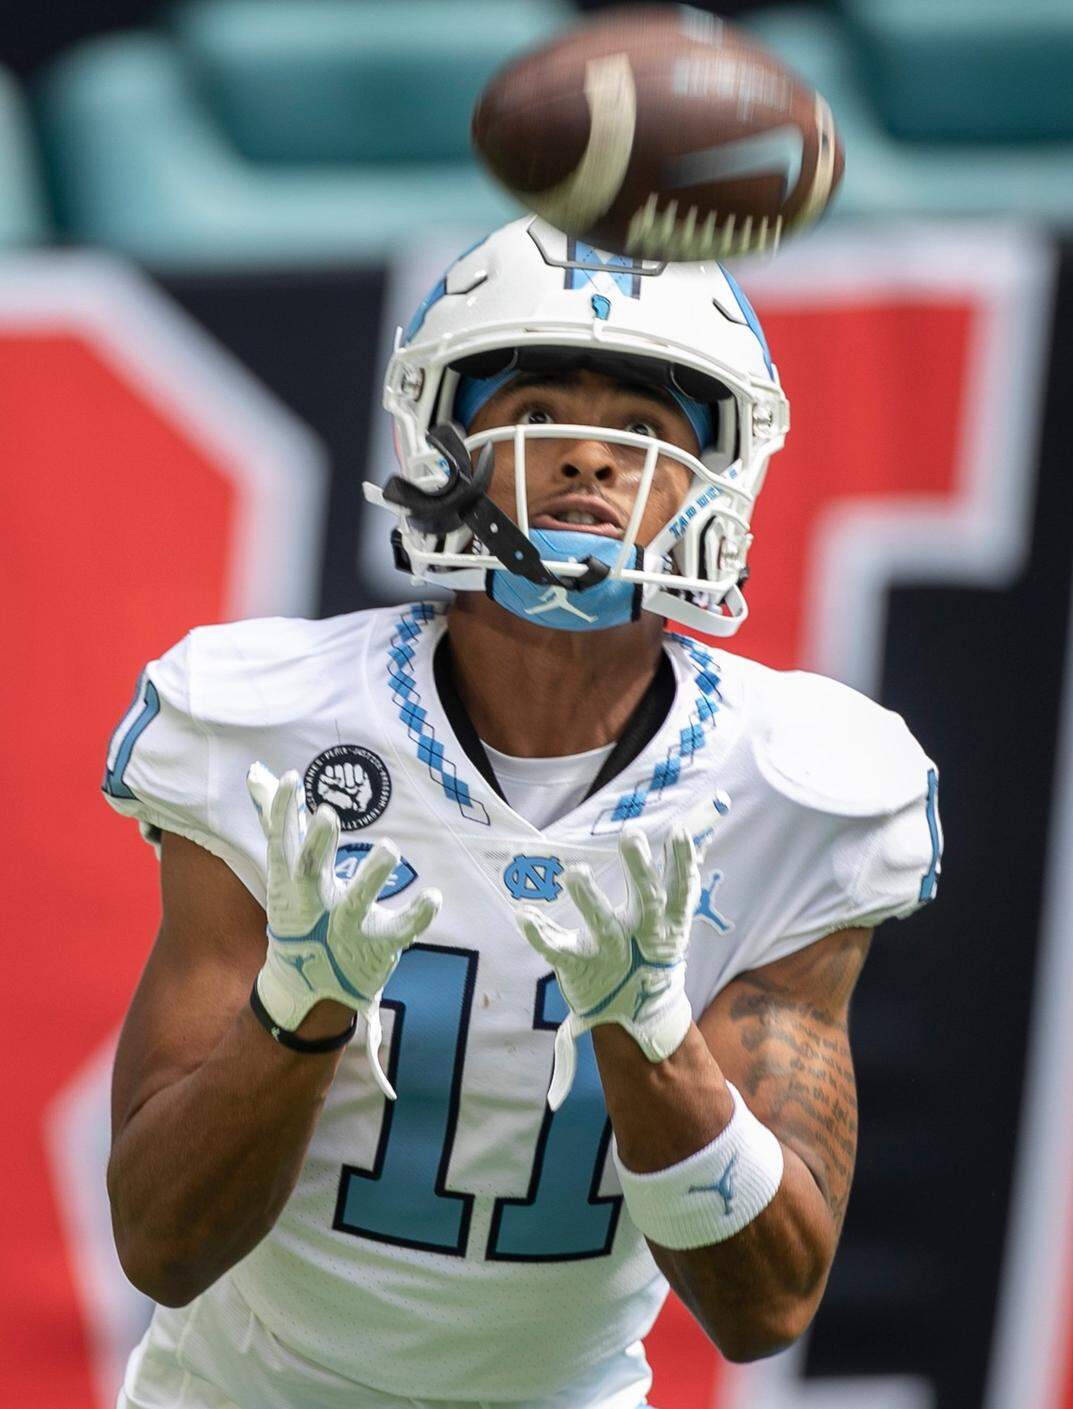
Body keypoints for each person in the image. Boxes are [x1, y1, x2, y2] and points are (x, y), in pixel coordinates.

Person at [103, 217, 942, 1409]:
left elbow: (766, 1304)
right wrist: (297, 1007)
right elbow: (162, 1240)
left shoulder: (799, 784)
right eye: (539, 414)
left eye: (645, 435)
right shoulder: (272, 727)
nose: (590, 463)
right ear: (441, 450)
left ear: (720, 481)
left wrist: (653, 1040)